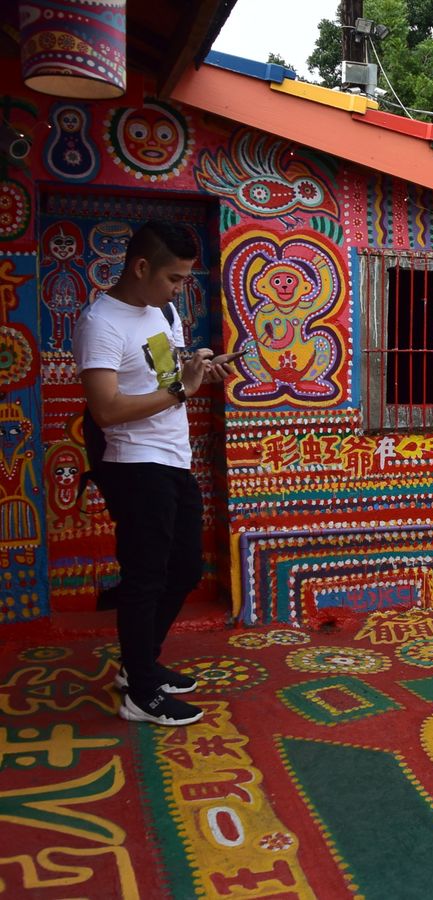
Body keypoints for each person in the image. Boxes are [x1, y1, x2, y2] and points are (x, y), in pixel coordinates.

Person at [74, 220, 235, 727]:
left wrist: (198, 367)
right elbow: (106, 409)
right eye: (174, 278)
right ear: (141, 267)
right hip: (134, 464)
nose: (180, 289)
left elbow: (164, 378)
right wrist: (184, 388)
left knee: (184, 570)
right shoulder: (101, 324)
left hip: (172, 456)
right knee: (145, 577)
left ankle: (138, 665)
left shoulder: (161, 311)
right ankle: (141, 693)